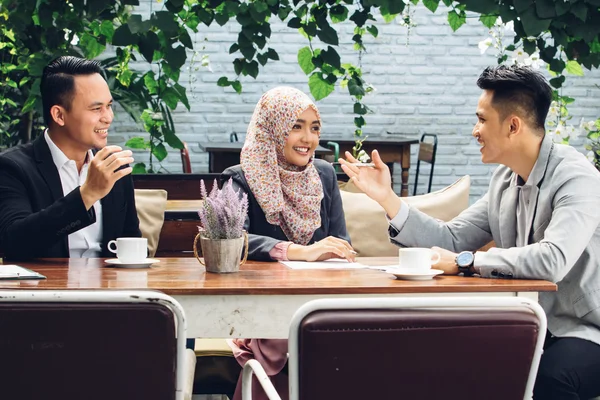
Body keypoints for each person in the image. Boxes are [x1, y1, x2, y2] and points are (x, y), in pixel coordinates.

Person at [340, 65, 600, 400]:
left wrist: (467, 263)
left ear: (513, 125)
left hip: (586, 329)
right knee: (448, 357)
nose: (474, 130)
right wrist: (388, 199)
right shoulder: (504, 181)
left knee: (551, 379)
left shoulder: (576, 178)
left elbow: (554, 259)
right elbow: (451, 239)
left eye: (481, 119)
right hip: (533, 326)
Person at [221, 86, 355, 400]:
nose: (308, 139)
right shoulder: (239, 178)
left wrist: (334, 253)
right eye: (295, 126)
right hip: (263, 307)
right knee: (282, 338)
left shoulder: (324, 175)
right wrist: (298, 252)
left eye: (314, 128)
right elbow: (230, 240)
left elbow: (341, 242)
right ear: (271, 128)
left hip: (318, 305)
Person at [0, 56, 141, 260]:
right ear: (59, 115)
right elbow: (15, 243)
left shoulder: (114, 168)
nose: (108, 117)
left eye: (109, 106)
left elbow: (132, 244)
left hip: (111, 290)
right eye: (96, 108)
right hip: (47, 289)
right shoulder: (13, 168)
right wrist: (88, 193)